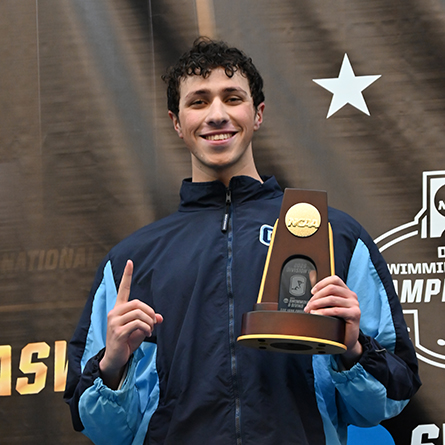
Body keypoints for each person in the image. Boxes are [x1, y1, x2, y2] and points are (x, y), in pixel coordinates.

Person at [64, 38, 421, 445]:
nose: (217, 114)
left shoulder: (333, 235)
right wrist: (112, 367)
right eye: (198, 102)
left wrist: (352, 348)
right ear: (176, 122)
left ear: (258, 114)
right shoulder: (131, 260)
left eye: (232, 98)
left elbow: (388, 401)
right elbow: (103, 432)